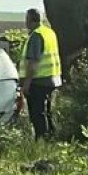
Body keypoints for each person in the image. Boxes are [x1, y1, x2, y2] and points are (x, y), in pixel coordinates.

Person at [19, 8, 62, 140]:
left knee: (37, 113)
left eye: (26, 19)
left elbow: (33, 62)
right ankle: (50, 137)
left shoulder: (36, 35)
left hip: (38, 81)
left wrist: (26, 84)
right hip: (53, 78)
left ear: (29, 20)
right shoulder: (49, 32)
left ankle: (41, 139)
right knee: (47, 111)